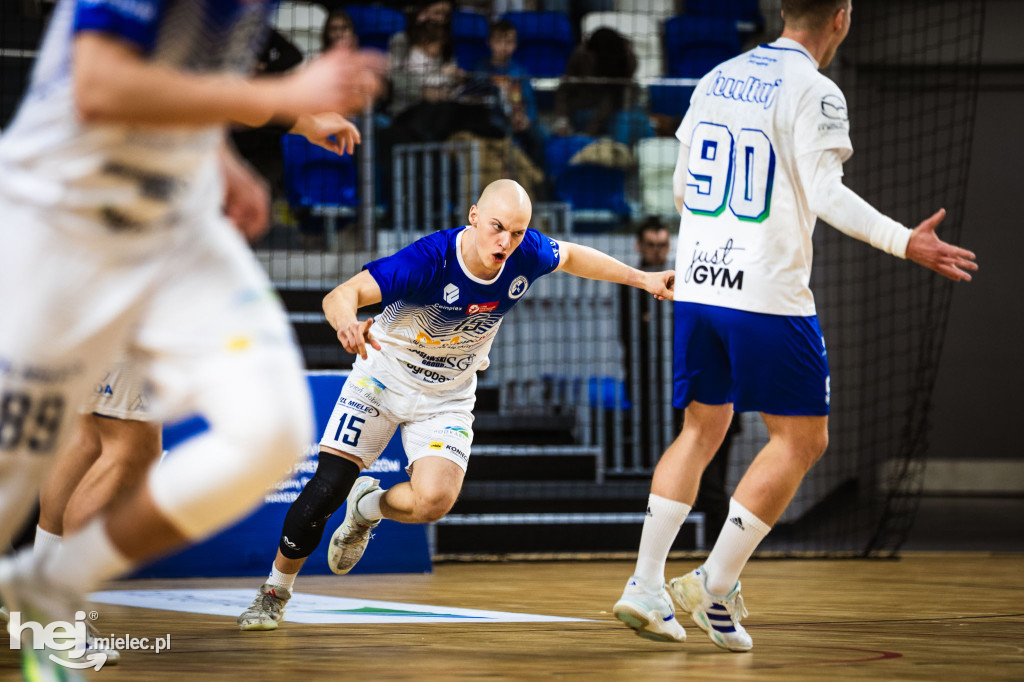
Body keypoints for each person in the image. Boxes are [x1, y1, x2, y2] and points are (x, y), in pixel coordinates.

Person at [0, 0, 384, 675]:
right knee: (62, 454)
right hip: (65, 217)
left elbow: (189, 78)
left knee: (267, 429)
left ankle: (46, 591)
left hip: (173, 221)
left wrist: (232, 145)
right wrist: (287, 96)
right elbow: (101, 84)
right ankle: (42, 604)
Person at [612, 0, 978, 650]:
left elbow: (680, 188)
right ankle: (714, 585)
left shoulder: (718, 75)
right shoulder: (815, 89)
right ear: (841, 16)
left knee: (701, 428)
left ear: (785, 10)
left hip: (698, 279)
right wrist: (905, 242)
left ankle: (644, 585)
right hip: (764, 292)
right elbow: (826, 190)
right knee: (802, 439)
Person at [237, 179, 674, 630]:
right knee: (326, 488)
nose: (505, 242)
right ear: (473, 217)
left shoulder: (527, 255)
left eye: (518, 232)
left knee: (434, 501)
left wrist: (643, 278)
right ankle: (274, 592)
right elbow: (339, 296)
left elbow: (574, 255)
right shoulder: (427, 261)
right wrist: (347, 324)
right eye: (497, 227)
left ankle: (367, 508)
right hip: (382, 378)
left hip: (447, 395)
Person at [553, 27, 652, 147]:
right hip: (585, 107)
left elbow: (611, 100)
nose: (591, 55)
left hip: (619, 106)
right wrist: (562, 120)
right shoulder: (580, 55)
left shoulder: (627, 59)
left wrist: (591, 132)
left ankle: (622, 157)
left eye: (594, 55)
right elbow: (564, 91)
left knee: (632, 122)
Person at [474, 20, 545, 168]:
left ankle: (538, 178)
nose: (504, 47)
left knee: (540, 135)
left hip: (519, 122)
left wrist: (527, 119)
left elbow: (530, 101)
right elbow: (479, 99)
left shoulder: (519, 71)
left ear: (515, 44)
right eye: (499, 41)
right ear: (489, 42)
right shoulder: (481, 69)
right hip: (494, 124)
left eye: (509, 42)